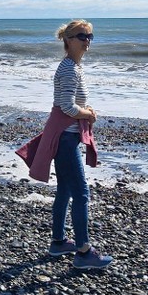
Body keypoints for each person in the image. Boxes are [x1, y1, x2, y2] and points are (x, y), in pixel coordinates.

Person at [16, 19, 113, 269]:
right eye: (82, 36)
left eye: (91, 36)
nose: (87, 41)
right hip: (66, 139)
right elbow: (67, 106)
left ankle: (58, 242)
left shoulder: (73, 67)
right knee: (81, 193)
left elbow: (67, 104)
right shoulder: (70, 69)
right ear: (68, 40)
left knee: (65, 191)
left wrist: (85, 111)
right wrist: (87, 114)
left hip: (65, 136)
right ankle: (83, 251)